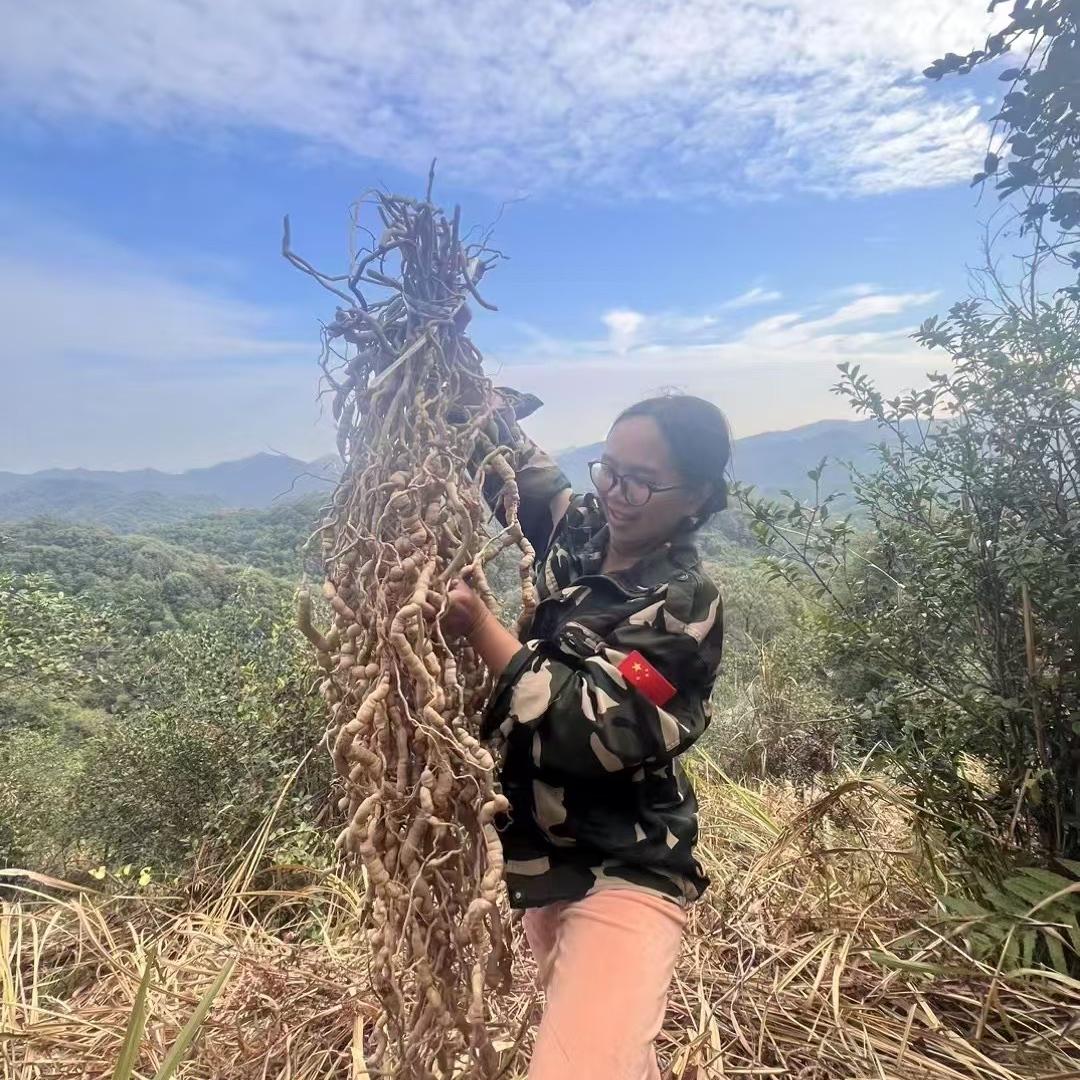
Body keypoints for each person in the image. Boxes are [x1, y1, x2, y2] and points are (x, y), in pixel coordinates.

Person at [444, 391, 730, 1080]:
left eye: (641, 481)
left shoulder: (683, 606)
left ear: (695, 495)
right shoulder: (583, 534)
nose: (616, 495)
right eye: (609, 469)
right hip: (550, 865)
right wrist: (471, 403)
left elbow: (592, 729)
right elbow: (525, 476)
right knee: (608, 1055)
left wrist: (482, 628)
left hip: (627, 868)